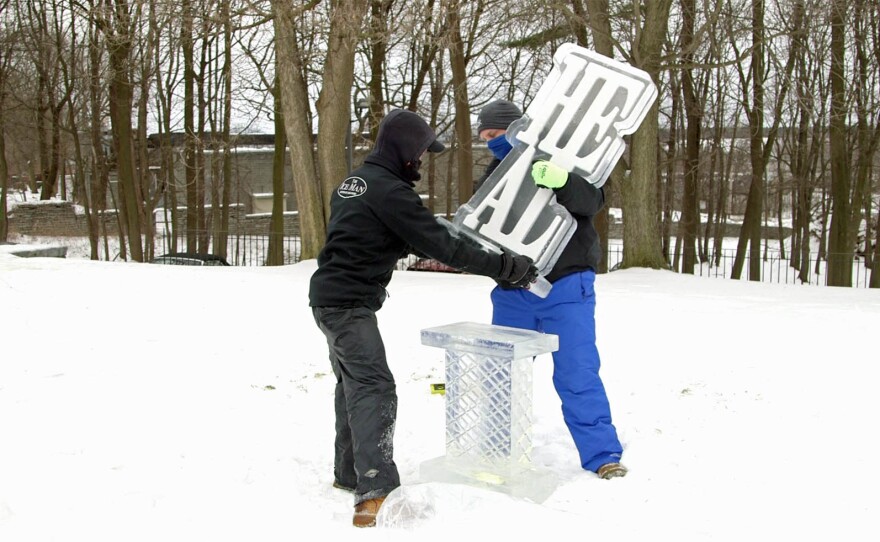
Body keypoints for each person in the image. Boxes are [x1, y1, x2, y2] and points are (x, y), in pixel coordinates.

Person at [309, 108, 538, 528]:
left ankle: (349, 473)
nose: (420, 161)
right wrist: (507, 267)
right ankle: (375, 493)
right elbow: (444, 246)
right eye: (420, 153)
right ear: (405, 149)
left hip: (328, 299)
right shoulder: (390, 192)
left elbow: (365, 235)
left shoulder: (353, 183)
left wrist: (403, 242)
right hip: (347, 304)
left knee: (352, 386)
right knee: (373, 387)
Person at [475, 100, 627, 480]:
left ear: (517, 130)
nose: (492, 144)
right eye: (485, 139)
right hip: (514, 290)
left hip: (567, 285)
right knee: (501, 376)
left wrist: (564, 181)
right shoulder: (495, 178)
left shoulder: (561, 157)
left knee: (578, 372)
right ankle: (496, 454)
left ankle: (602, 454)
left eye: (496, 135)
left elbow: (594, 200)